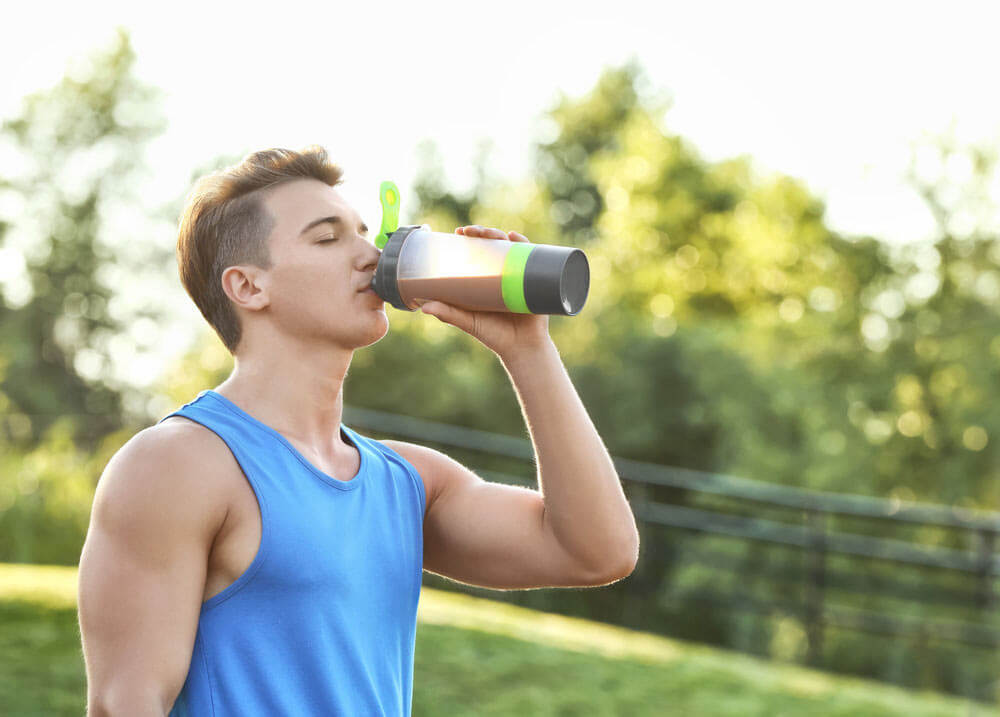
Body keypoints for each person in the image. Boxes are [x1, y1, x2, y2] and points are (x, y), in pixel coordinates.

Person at [77, 145, 640, 716]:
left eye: (365, 233)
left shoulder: (409, 481)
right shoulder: (177, 464)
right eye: (327, 238)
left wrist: (528, 350)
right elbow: (125, 704)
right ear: (248, 287)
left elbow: (598, 552)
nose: (371, 256)